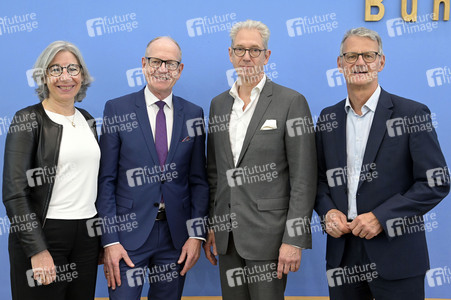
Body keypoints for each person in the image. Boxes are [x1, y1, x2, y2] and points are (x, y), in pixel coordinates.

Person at [315, 27, 450, 300]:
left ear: (381, 62)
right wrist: (328, 212)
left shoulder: (412, 113)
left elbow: (435, 182)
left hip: (397, 254)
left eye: (368, 55)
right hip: (343, 255)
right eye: (351, 56)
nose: (360, 63)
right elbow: (317, 179)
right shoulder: (328, 118)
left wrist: (381, 217)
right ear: (340, 64)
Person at [204, 20, 317, 300]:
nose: (246, 57)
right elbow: (215, 173)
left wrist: (294, 238)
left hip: (270, 238)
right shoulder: (218, 104)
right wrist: (213, 227)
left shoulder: (291, 102)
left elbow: (303, 178)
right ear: (230, 54)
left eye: (254, 50)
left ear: (267, 56)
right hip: (227, 238)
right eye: (240, 49)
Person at [97, 36, 209, 300]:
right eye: (156, 61)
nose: (162, 69)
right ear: (143, 64)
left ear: (180, 70)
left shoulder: (193, 114)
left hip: (176, 238)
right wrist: (110, 240)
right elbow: (106, 181)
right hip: (127, 237)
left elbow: (198, 182)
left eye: (170, 63)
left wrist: (196, 236)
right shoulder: (117, 109)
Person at [2, 41, 100, 300]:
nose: (65, 77)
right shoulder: (28, 120)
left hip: (86, 237)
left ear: (82, 75)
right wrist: (36, 250)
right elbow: (14, 192)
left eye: (72, 68)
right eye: (55, 69)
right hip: (45, 234)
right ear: (43, 76)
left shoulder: (87, 119)